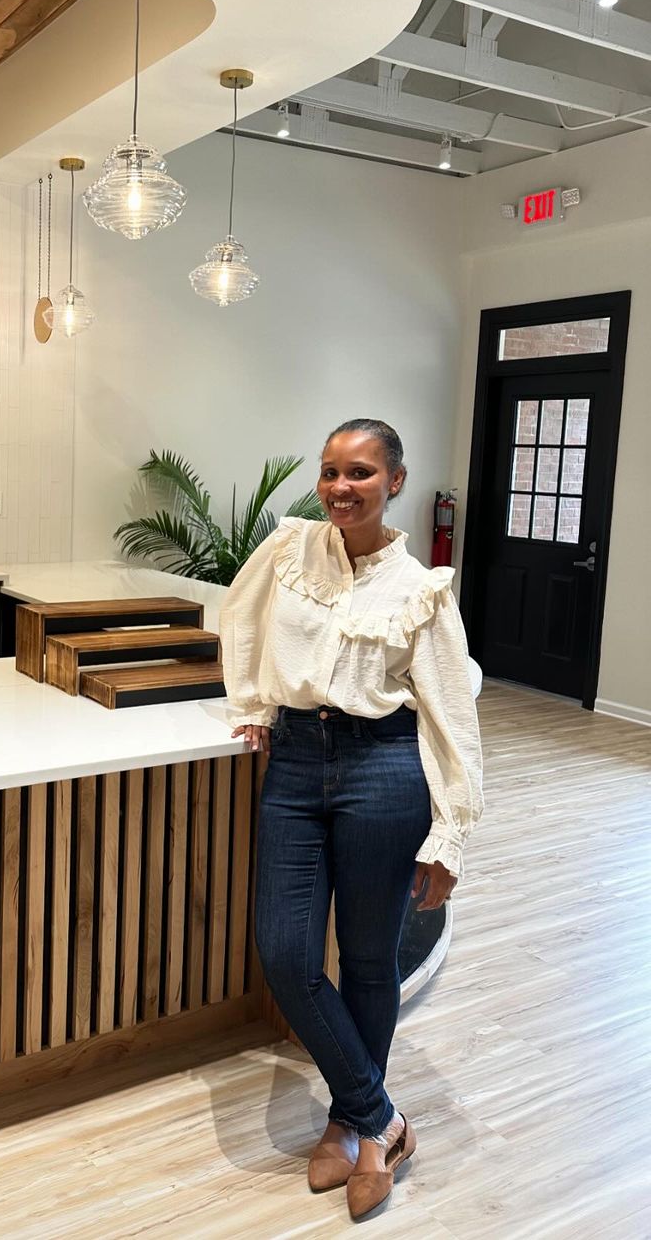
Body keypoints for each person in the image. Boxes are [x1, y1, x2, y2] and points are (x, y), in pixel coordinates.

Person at [218, 418, 483, 1221]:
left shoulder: (422, 590)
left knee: (369, 960)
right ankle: (380, 1115)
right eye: (331, 471)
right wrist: (255, 701)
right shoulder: (290, 550)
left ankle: (347, 1122)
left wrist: (450, 835)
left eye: (361, 473)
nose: (341, 487)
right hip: (296, 764)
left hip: (385, 769)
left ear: (394, 482)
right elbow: (240, 618)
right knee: (287, 952)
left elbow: (452, 716)